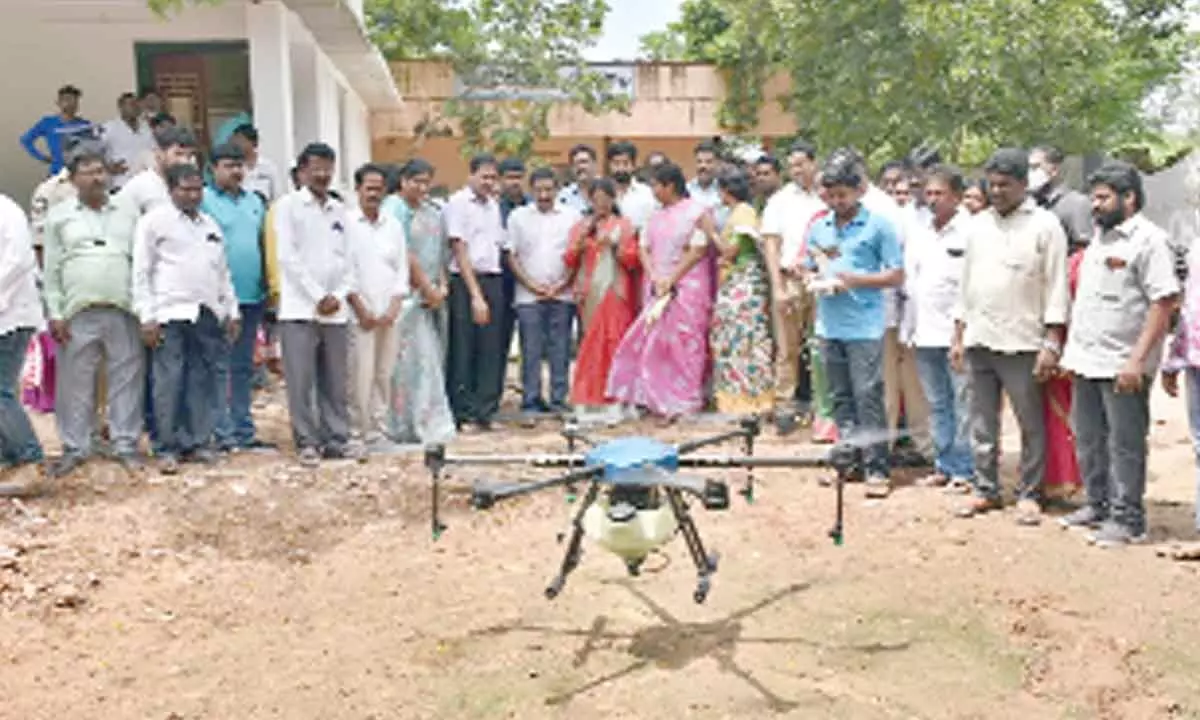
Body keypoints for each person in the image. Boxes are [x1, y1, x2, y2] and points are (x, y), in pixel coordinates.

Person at [1059, 162, 1177, 547]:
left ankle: (1129, 519)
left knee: (1124, 442)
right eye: (1093, 197)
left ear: (1129, 199)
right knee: (1089, 437)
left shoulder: (1150, 241)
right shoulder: (1099, 239)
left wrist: (1137, 360)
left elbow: (1163, 303)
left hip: (1123, 363)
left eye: (1104, 197)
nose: (1095, 205)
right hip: (1086, 359)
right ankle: (1098, 504)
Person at [951, 148, 1070, 525]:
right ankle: (986, 489)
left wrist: (1052, 341)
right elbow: (965, 285)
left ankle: (1030, 493)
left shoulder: (1045, 225)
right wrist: (958, 334)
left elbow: (1057, 287)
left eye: (1005, 184)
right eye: (992, 184)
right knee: (982, 422)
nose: (997, 191)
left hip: (1023, 342)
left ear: (1023, 184)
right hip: (980, 339)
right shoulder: (978, 225)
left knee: (1031, 424)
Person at [804, 153, 904, 498]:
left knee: (868, 396)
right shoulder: (820, 227)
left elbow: (895, 274)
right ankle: (848, 461)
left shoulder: (879, 226)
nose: (836, 202)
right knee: (840, 398)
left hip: (864, 325)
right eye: (830, 196)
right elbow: (809, 264)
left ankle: (878, 467)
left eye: (842, 195)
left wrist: (855, 280)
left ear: (859, 191)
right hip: (828, 324)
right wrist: (811, 277)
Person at [132, 164, 240, 474]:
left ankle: (196, 442)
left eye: (197, 189)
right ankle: (166, 446)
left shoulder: (209, 224)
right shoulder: (155, 222)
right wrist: (147, 316)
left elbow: (222, 273)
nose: (193, 195)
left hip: (205, 313)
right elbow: (142, 270)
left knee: (200, 380)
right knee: (168, 382)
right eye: (185, 189)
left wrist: (230, 311)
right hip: (168, 313)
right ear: (171, 190)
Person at [42, 148, 143, 478]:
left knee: (126, 378)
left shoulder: (128, 211)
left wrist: (145, 308)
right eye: (88, 172)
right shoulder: (59, 216)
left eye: (101, 171)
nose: (97, 177)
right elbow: (52, 267)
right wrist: (55, 312)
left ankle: (125, 443)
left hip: (123, 306)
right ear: (73, 180)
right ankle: (75, 446)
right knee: (75, 382)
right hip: (77, 310)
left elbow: (141, 262)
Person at [607, 162, 716, 421]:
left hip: (688, 288)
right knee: (655, 341)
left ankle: (685, 400)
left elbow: (698, 249)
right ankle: (656, 397)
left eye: (656, 185)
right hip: (656, 286)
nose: (653, 190)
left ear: (670, 186)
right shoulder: (654, 216)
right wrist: (655, 276)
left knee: (687, 343)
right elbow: (643, 247)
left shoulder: (697, 212)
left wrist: (672, 278)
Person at [274, 142, 354, 466]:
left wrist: (339, 293)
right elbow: (287, 258)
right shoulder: (288, 207)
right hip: (300, 309)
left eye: (327, 168)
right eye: (316, 167)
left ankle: (336, 438)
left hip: (336, 310)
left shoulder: (340, 210)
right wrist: (318, 296)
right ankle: (306, 441)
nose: (322, 174)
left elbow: (351, 259)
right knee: (301, 379)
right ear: (303, 171)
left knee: (335, 379)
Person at [907, 165, 974, 491]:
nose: (932, 200)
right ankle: (943, 464)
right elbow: (913, 283)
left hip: (955, 335)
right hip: (924, 332)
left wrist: (961, 336)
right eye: (929, 193)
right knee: (937, 403)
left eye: (939, 194)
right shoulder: (921, 231)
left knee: (963, 403)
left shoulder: (971, 232)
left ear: (957, 197)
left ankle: (965, 469)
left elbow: (971, 288)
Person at [201, 142, 271, 453]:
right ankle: (218, 430)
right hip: (216, 299)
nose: (236, 171)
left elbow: (261, 243)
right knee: (216, 366)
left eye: (240, 165)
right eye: (228, 165)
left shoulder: (255, 202)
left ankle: (243, 428)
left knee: (243, 366)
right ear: (213, 168)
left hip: (251, 295)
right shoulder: (202, 200)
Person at [506, 167, 579, 423]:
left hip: (563, 293)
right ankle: (531, 401)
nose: (544, 195)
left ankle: (559, 400)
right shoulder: (518, 217)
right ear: (531, 190)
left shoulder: (571, 217)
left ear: (557, 190)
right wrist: (532, 285)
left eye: (549, 190)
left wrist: (562, 283)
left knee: (560, 348)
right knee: (531, 350)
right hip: (528, 295)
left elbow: (575, 254)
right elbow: (512, 256)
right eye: (539, 190)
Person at [389, 159, 454, 445]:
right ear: (403, 181)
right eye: (416, 181)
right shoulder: (393, 209)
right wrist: (425, 287)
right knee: (401, 364)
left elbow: (441, 252)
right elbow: (404, 252)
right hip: (403, 298)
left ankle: (427, 420)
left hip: (429, 299)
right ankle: (400, 423)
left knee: (429, 362)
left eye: (426, 182)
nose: (421, 187)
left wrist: (440, 286)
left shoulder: (434, 213)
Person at [760, 139, 823, 432]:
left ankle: (823, 408)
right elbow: (771, 245)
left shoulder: (827, 196)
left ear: (814, 162)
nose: (796, 170)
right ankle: (785, 407)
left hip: (822, 281)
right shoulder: (780, 201)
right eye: (792, 166)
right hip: (789, 280)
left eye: (801, 164)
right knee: (787, 348)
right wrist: (778, 287)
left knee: (822, 346)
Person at [345, 163, 408, 453]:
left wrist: (395, 305)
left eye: (378, 189)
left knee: (385, 373)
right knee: (360, 373)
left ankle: (379, 430)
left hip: (389, 312)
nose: (374, 194)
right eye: (368, 188)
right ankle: (357, 431)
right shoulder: (346, 224)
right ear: (357, 189)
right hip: (360, 313)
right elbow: (345, 271)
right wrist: (361, 309)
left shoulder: (392, 225)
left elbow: (401, 269)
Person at [564, 179, 640, 408]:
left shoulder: (625, 225)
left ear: (612, 199)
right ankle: (590, 394)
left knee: (614, 340)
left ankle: (618, 394)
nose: (601, 204)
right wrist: (581, 240)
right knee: (590, 342)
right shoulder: (581, 226)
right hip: (589, 293)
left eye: (605, 199)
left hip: (615, 290)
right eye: (596, 199)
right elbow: (569, 258)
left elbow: (633, 260)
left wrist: (615, 246)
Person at [445, 153, 507, 431]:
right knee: (464, 347)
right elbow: (459, 249)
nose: (489, 182)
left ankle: (486, 411)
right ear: (471, 175)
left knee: (491, 347)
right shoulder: (458, 204)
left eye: (493, 177)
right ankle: (463, 412)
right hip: (465, 281)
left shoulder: (494, 205)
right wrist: (475, 295)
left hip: (492, 278)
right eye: (484, 177)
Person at [710, 169, 775, 414]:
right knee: (734, 339)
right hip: (736, 280)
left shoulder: (743, 214)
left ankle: (751, 398)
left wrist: (711, 233)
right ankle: (737, 397)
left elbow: (731, 251)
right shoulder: (740, 212)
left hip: (743, 282)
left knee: (744, 339)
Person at [0, 192, 47, 498]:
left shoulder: (6, 211)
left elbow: (18, 260)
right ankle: (9, 460)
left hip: (11, 314)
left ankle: (30, 460)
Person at [20, 85, 95, 176]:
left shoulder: (84, 125)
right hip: (56, 174)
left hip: (79, 174)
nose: (71, 104)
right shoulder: (48, 122)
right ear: (58, 102)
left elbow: (92, 149)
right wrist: (41, 157)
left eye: (75, 101)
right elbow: (25, 140)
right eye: (67, 100)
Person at [1029, 145, 1093, 248]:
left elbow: (1083, 250)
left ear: (1054, 169)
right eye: (1029, 168)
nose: (1030, 173)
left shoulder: (1076, 203)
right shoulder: (1030, 203)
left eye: (1036, 167)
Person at [99, 92, 155, 192]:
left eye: (137, 104)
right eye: (131, 104)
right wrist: (107, 167)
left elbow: (154, 150)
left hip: (145, 184)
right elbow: (94, 151)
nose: (135, 107)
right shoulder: (109, 128)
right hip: (120, 183)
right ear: (121, 107)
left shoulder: (145, 127)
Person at [229, 124, 282, 201]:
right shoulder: (234, 168)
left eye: (241, 141)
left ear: (253, 142)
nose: (237, 144)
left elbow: (278, 196)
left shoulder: (268, 166)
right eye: (235, 141)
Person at [556, 144, 597, 213]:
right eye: (575, 164)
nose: (580, 167)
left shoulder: (607, 191)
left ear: (594, 164)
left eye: (584, 162)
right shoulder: (564, 196)